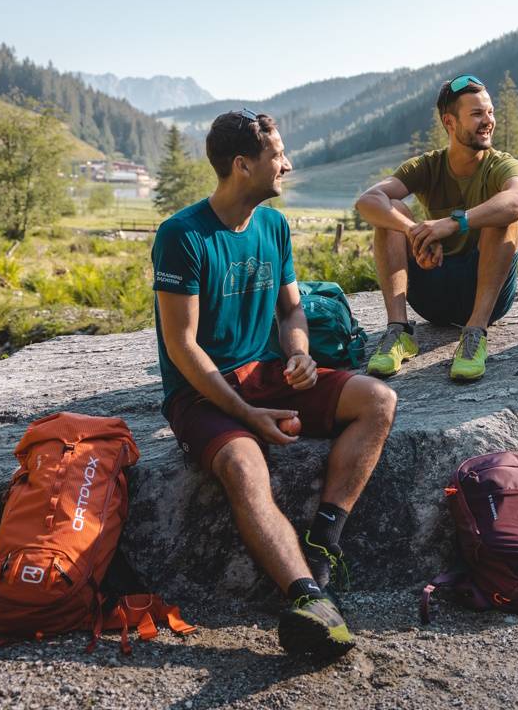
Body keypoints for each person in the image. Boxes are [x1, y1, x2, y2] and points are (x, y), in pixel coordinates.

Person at [151, 110, 397, 659]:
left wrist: (301, 354)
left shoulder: (273, 226)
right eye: (277, 155)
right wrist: (244, 414)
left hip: (266, 373)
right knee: (243, 465)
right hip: (201, 391)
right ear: (242, 165)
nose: (286, 164)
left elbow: (291, 310)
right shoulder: (181, 236)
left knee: (378, 400)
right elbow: (182, 346)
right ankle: (307, 597)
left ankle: (324, 540)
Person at [354, 75, 518, 381]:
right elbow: (368, 200)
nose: (488, 121)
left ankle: (475, 334)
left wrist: (453, 223)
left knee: (504, 215)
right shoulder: (427, 166)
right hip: (433, 291)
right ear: (449, 122)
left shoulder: (502, 165)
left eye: (490, 112)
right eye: (477, 114)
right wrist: (415, 232)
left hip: (486, 293)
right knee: (390, 213)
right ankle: (398, 331)